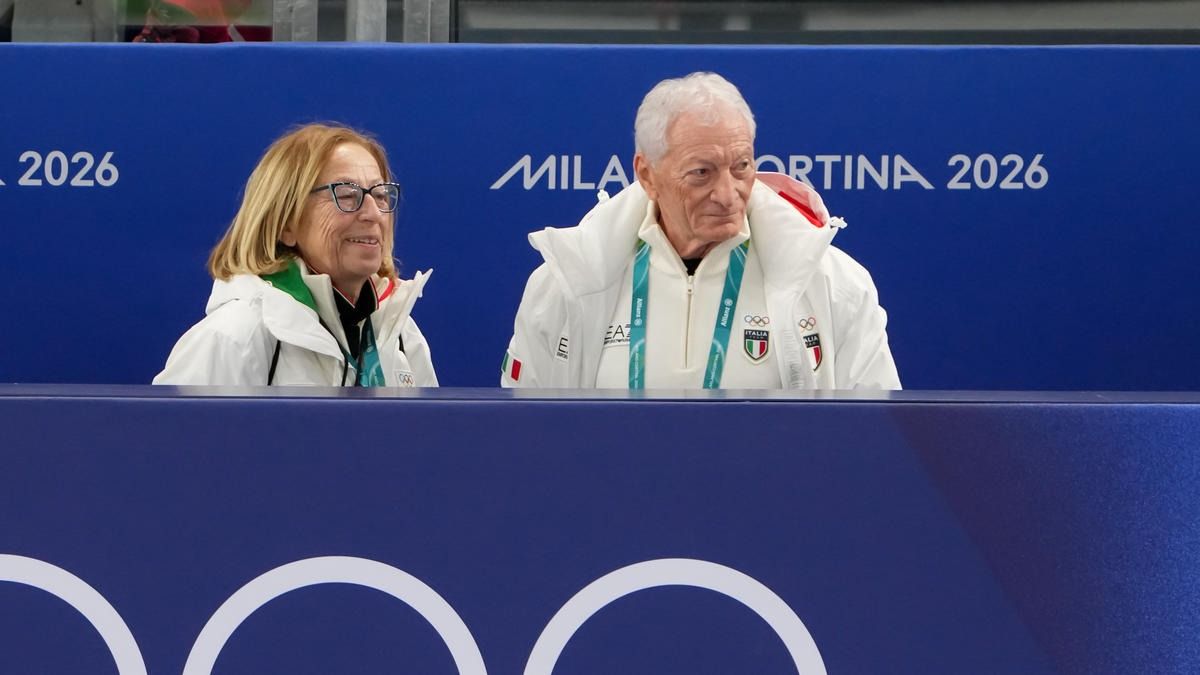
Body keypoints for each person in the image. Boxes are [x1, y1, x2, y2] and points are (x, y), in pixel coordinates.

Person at [501, 72, 899, 390]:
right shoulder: (566, 282)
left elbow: (876, 439)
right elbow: (523, 438)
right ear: (647, 175)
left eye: (741, 167)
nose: (727, 195)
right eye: (701, 173)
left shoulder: (833, 283)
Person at [155, 123, 437, 387]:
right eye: (346, 195)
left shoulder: (399, 333)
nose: (374, 214)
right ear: (286, 222)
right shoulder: (235, 336)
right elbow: (169, 427)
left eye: (381, 195)